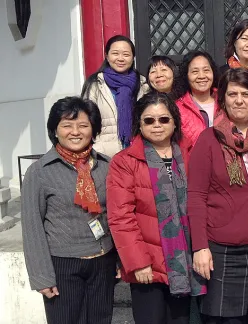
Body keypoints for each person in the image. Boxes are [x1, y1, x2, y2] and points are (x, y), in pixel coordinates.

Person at [187, 68, 248, 323]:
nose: (239, 100)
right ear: (223, 99)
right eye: (232, 94)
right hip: (222, 249)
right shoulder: (208, 140)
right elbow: (196, 196)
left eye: (245, 94)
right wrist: (200, 247)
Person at [106, 92, 205, 324]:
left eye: (164, 119)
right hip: (148, 266)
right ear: (139, 124)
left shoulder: (190, 153)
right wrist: (138, 262)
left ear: (175, 122)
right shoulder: (125, 162)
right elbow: (121, 217)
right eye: (149, 120)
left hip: (185, 262)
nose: (157, 125)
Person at [21, 97, 116, 324]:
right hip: (63, 264)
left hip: (102, 261)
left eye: (83, 125)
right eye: (66, 125)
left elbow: (115, 215)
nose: (75, 132)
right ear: (55, 130)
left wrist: (120, 260)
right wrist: (41, 276)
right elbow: (32, 227)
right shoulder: (40, 172)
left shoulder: (106, 165)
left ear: (93, 130)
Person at [81, 35, 149, 157]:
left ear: (133, 58)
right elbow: (84, 120)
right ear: (107, 56)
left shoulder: (142, 84)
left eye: (126, 54)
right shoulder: (96, 84)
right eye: (115, 53)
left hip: (137, 153)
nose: (120, 58)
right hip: (104, 155)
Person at [173, 50, 220, 145]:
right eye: (195, 71)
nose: (202, 76)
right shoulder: (177, 108)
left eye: (206, 70)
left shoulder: (225, 101)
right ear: (186, 75)